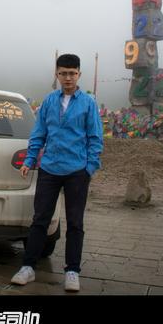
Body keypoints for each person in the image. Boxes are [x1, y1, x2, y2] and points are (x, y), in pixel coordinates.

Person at [10, 53, 103, 292]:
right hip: (49, 169)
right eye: (63, 73)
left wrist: (89, 168)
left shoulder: (88, 103)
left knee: (75, 223)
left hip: (77, 172)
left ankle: (72, 271)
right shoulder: (49, 101)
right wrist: (30, 160)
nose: (68, 78)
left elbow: (95, 138)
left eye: (72, 73)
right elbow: (38, 134)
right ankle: (28, 267)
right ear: (57, 74)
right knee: (40, 219)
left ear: (79, 74)